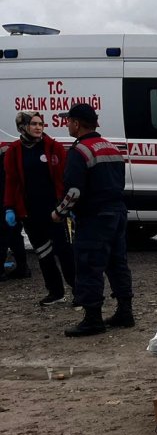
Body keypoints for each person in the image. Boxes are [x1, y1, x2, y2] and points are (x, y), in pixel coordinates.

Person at [52, 103, 133, 337]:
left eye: (68, 121)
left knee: (89, 266)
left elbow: (74, 192)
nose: (67, 124)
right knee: (117, 264)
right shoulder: (111, 148)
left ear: (77, 123)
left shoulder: (80, 151)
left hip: (94, 218)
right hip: (117, 213)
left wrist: (59, 212)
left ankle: (93, 319)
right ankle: (125, 312)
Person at [3, 111, 76, 304]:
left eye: (40, 124)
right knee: (44, 253)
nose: (38, 127)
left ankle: (79, 291)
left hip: (55, 210)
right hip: (30, 211)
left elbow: (65, 177)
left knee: (64, 251)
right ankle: (56, 293)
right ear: (22, 127)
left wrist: (68, 205)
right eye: (33, 124)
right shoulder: (15, 151)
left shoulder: (53, 147)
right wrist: (9, 207)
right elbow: (11, 181)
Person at [0, 144, 32, 283]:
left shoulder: (6, 152)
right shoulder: (12, 150)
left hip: (6, 202)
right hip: (14, 202)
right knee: (14, 236)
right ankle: (22, 267)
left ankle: (2, 271)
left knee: (3, 236)